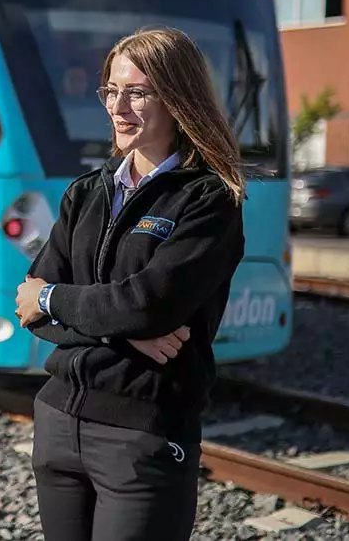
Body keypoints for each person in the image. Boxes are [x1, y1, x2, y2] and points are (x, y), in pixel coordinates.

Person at [15, 27, 247, 541]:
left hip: (141, 434)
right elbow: (28, 308)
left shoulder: (207, 201)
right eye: (111, 91)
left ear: (178, 99)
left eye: (138, 92)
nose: (119, 106)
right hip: (57, 421)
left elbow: (146, 304)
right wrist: (116, 329)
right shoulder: (85, 194)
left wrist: (56, 299)